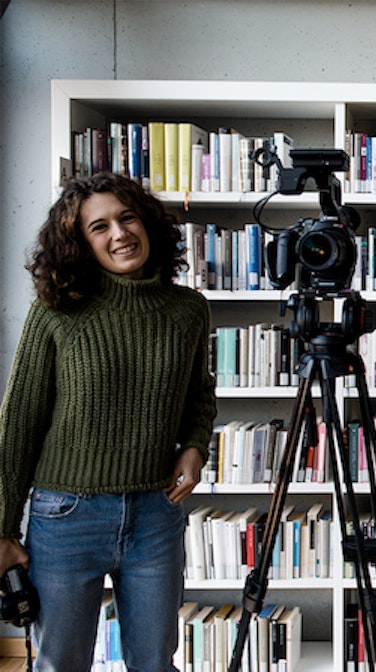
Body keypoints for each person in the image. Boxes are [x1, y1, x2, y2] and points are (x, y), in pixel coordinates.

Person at [0, 172, 217, 670]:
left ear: (147, 223)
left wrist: (195, 446)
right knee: (61, 664)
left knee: (154, 663)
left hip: (156, 514)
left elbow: (199, 394)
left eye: (127, 218)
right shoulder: (56, 312)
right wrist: (3, 530)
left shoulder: (188, 310)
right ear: (79, 242)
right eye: (99, 227)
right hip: (66, 517)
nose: (119, 234)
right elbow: (18, 425)